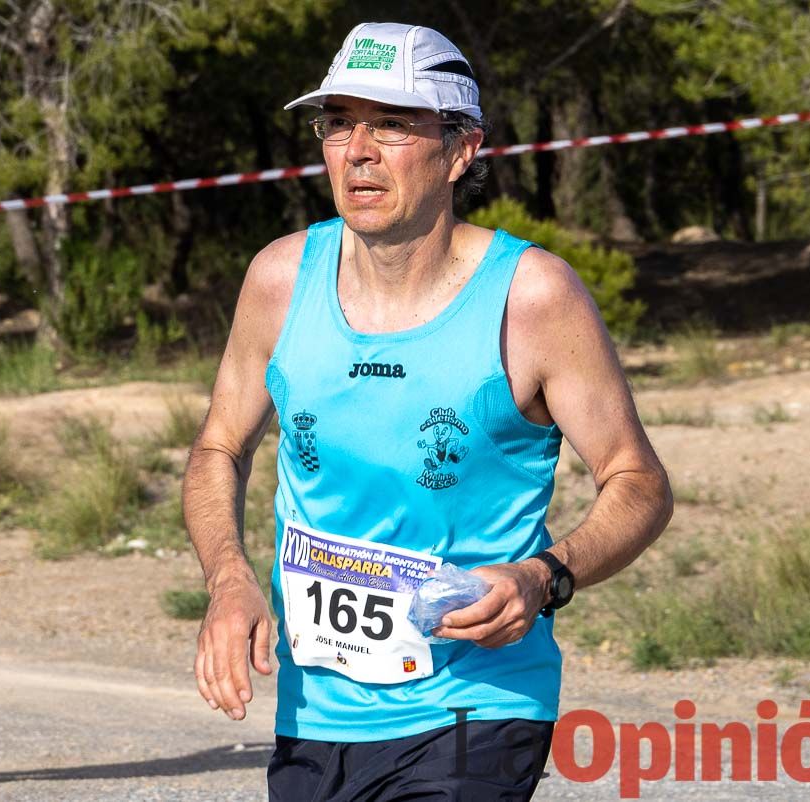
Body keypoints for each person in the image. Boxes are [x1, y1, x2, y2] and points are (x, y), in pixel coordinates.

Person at [183, 21, 673, 801]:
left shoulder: (532, 297)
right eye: (339, 122)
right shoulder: (280, 279)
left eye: (394, 124)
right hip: (318, 714)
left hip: (478, 704)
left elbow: (638, 480)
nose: (358, 149)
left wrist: (543, 576)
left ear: (461, 148)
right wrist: (227, 579)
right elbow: (218, 447)